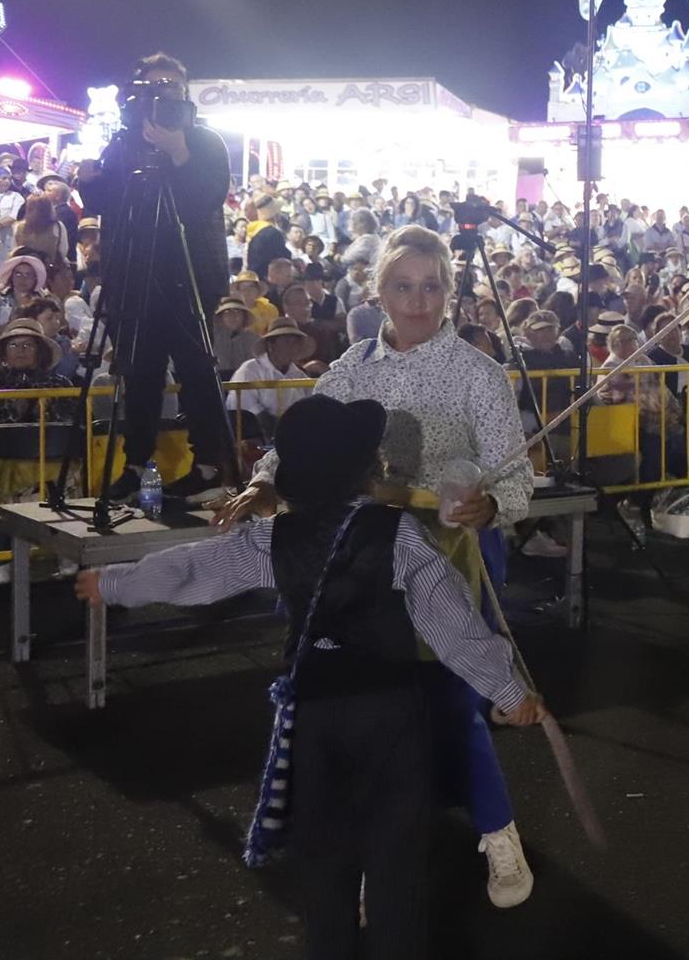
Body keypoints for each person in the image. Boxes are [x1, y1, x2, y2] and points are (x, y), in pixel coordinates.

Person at [77, 395, 542, 960]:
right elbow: (455, 629)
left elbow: (195, 569)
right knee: (396, 860)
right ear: (369, 468)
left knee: (324, 855)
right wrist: (510, 691)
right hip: (391, 712)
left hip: (314, 715)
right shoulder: (399, 535)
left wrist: (114, 583)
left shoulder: (274, 539)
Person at [217, 225, 539, 908]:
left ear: (449, 291)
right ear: (378, 291)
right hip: (357, 564)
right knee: (365, 714)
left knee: (455, 702)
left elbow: (515, 476)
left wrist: (492, 505)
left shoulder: (476, 373)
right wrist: (267, 480)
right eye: (403, 286)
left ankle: (498, 832)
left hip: (449, 558)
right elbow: (302, 440)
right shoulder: (350, 369)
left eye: (430, 287)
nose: (417, 301)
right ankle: (374, 860)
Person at [72, 53, 234, 504]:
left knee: (198, 371)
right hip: (134, 274)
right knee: (139, 375)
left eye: (170, 85)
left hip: (189, 275)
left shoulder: (204, 141)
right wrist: (88, 180)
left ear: (185, 92)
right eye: (152, 84)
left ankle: (209, 467)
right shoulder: (123, 143)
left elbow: (207, 198)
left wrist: (179, 151)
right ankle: (136, 466)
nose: (161, 92)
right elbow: (106, 200)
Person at [227, 317, 317, 431]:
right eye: (286, 342)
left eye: (295, 342)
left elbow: (311, 405)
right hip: (253, 437)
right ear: (270, 345)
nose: (292, 347)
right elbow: (249, 411)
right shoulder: (250, 370)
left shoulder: (299, 375)